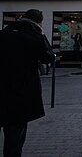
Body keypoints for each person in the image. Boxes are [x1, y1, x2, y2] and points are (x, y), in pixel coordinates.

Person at [0, 9, 55, 157]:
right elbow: (48, 58)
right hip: (20, 93)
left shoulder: (4, 33)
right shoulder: (33, 37)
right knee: (14, 138)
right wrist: (41, 34)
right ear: (38, 22)